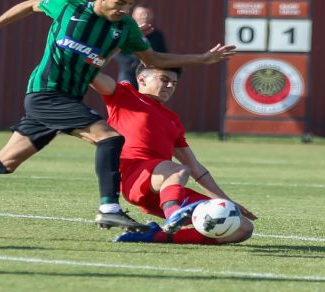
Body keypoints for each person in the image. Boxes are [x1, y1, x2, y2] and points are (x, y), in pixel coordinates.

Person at [0, 0, 236, 233]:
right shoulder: (68, 6)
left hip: (65, 101)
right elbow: (31, 4)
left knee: (4, 163)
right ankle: (109, 209)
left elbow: (152, 56)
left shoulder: (124, 29)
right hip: (44, 95)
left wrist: (202, 58)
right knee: (110, 138)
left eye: (129, 4)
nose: (123, 10)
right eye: (119, 2)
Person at [90, 65, 258, 244]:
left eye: (174, 83)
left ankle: (158, 235)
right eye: (164, 79)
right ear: (141, 79)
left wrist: (226, 202)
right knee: (177, 170)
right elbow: (91, 76)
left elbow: (195, 167)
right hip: (136, 177)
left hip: (167, 189)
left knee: (242, 228)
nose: (170, 86)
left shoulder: (172, 120)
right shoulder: (124, 94)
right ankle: (173, 215)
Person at [114, 4, 168, 89]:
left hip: (150, 75)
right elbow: (117, 52)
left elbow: (163, 53)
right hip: (129, 73)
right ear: (134, 15)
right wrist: (130, 63)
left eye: (147, 14)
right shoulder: (125, 32)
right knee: (126, 96)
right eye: (141, 14)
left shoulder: (157, 35)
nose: (144, 16)